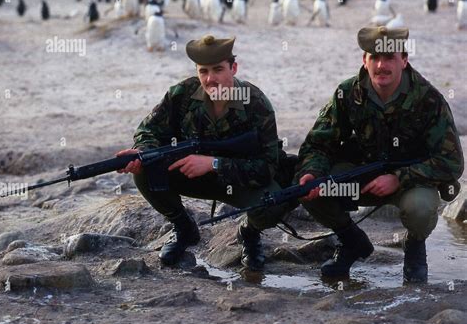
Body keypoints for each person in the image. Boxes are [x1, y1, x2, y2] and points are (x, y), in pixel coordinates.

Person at [294, 26, 464, 283]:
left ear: (404, 60)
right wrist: (312, 172)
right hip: (360, 178)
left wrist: (399, 177)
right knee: (310, 189)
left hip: (408, 184)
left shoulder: (428, 99)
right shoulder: (347, 93)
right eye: (374, 57)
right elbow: (318, 144)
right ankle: (351, 241)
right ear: (364, 60)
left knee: (419, 208)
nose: (381, 65)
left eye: (389, 58)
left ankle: (415, 247)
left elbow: (451, 162)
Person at [117, 35, 292, 270]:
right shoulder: (182, 94)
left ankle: (249, 233)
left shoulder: (257, 103)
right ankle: (184, 228)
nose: (211, 79)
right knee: (146, 171)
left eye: (218, 70)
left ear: (234, 68)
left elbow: (267, 167)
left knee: (275, 202)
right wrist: (143, 153)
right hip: (192, 175)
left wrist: (214, 163)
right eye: (203, 71)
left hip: (238, 180)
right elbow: (148, 130)